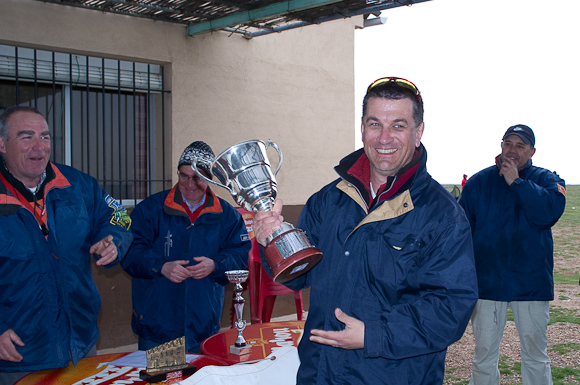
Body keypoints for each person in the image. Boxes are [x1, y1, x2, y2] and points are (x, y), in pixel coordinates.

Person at [253, 77, 479, 384]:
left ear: (418, 132)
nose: (384, 137)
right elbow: (299, 276)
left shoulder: (443, 216)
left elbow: (450, 309)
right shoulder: (327, 201)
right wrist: (275, 242)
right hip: (319, 373)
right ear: (362, 128)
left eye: (398, 125)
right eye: (375, 124)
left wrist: (373, 334)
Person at [0, 106, 133, 384]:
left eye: (45, 137)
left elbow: (119, 215)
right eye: (27, 137)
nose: (40, 146)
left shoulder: (77, 184)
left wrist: (114, 239)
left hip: (81, 344)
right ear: (2, 144)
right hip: (19, 357)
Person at [459, 124, 566, 385]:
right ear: (501, 146)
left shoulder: (546, 180)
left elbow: (548, 214)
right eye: (508, 143)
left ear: (532, 151)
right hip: (487, 283)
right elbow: (461, 231)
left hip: (530, 282)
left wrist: (516, 182)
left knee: (535, 354)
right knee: (483, 355)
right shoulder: (478, 182)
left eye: (520, 145)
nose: (512, 150)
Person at [121, 141, 251, 353]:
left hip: (203, 325)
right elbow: (129, 251)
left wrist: (215, 265)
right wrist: (161, 266)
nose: (189, 184)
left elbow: (240, 257)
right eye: (184, 176)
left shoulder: (228, 216)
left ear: (210, 179)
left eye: (198, 178)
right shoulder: (151, 209)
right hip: (156, 325)